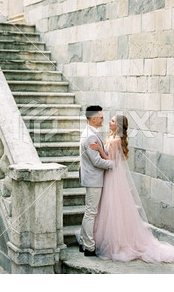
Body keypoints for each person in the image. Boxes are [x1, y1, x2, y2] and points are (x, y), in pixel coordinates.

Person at [88, 114, 174, 263]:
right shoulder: (111, 136)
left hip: (113, 175)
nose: (109, 122)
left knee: (113, 205)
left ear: (119, 125)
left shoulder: (116, 140)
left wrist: (98, 149)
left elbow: (111, 160)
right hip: (108, 174)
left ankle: (118, 241)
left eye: (113, 121)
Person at [76, 105, 114, 256]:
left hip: (92, 177)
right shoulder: (90, 136)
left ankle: (84, 241)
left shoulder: (90, 132)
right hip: (93, 179)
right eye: (101, 117)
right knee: (91, 212)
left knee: (90, 212)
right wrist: (113, 165)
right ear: (93, 118)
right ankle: (89, 247)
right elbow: (96, 161)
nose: (103, 119)